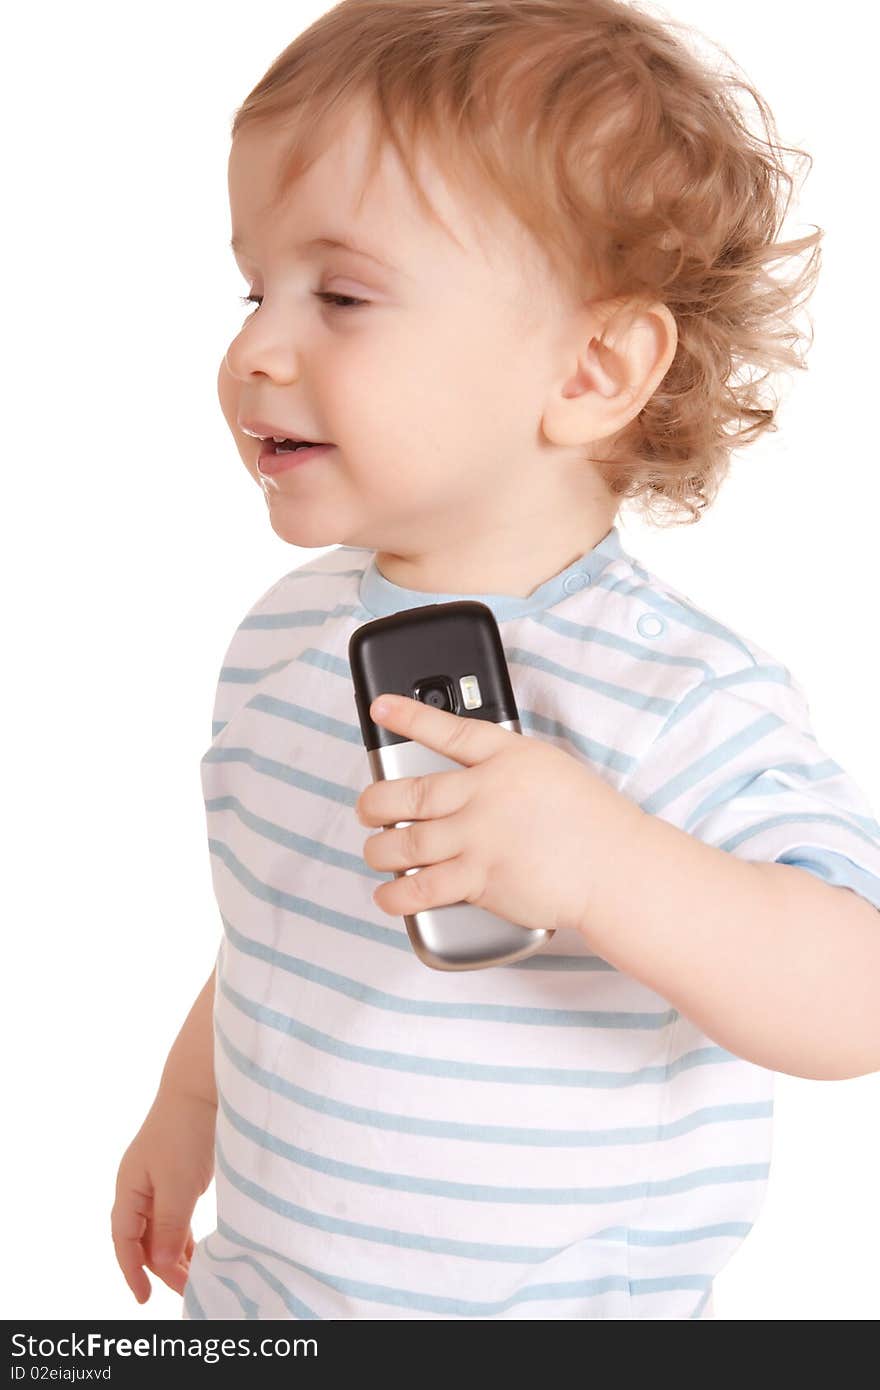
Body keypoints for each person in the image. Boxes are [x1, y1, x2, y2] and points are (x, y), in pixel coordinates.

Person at [111, 0, 880, 1320]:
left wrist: (604, 860)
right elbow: (283, 926)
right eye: (257, 288)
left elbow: (856, 992)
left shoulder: (677, 694)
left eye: (341, 295)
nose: (254, 349)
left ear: (592, 369)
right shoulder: (287, 637)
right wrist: (185, 1106)